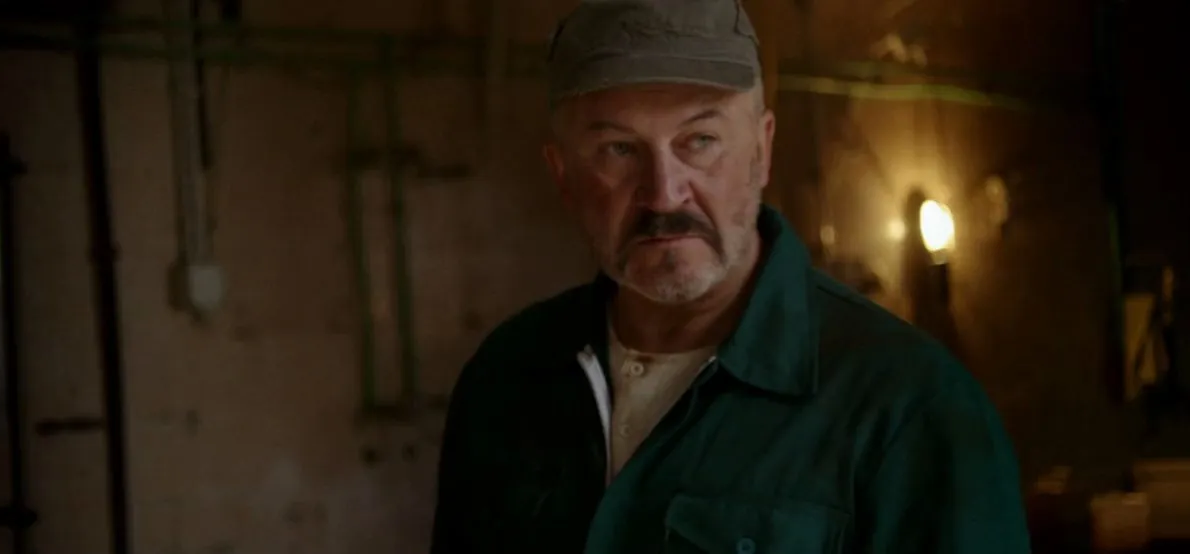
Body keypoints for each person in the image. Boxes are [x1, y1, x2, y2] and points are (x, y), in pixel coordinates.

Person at [430, 0, 1031, 552]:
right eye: (619, 149)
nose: (664, 193)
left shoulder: (909, 408)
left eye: (700, 140)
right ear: (562, 175)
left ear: (761, 151)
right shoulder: (505, 382)